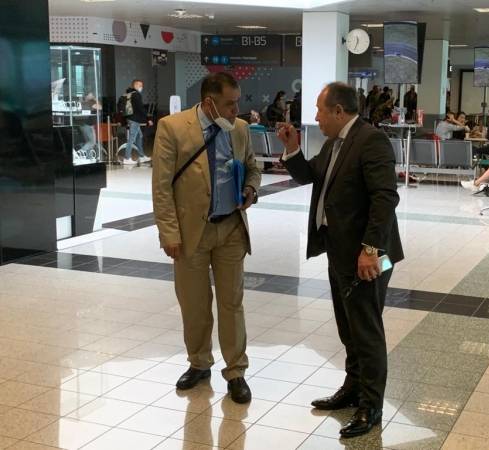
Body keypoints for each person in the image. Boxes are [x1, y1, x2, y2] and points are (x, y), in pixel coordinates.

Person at [277, 82, 403, 438]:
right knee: (349, 328)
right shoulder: (334, 143)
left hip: (369, 256)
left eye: (320, 111)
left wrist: (370, 249)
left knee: (366, 330)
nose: (316, 117)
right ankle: (353, 388)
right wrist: (292, 148)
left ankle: (371, 406)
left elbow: (385, 198)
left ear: (338, 111)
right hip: (340, 251)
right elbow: (310, 175)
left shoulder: (371, 140)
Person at [152, 72, 261, 403]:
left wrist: (250, 188)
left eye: (237, 103)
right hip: (190, 234)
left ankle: (236, 371)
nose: (235, 110)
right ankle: (199, 363)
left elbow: (253, 167)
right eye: (229, 104)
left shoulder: (239, 129)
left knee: (232, 303)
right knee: (194, 304)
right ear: (209, 103)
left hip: (230, 229)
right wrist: (169, 232)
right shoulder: (172, 128)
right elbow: (161, 186)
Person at [123, 79, 152, 165]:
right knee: (132, 139)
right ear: (135, 85)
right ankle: (127, 158)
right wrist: (148, 118)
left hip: (131, 118)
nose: (141, 87)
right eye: (140, 85)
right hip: (135, 119)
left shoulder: (129, 94)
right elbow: (140, 108)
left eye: (142, 85)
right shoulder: (136, 95)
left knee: (139, 136)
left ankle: (141, 156)